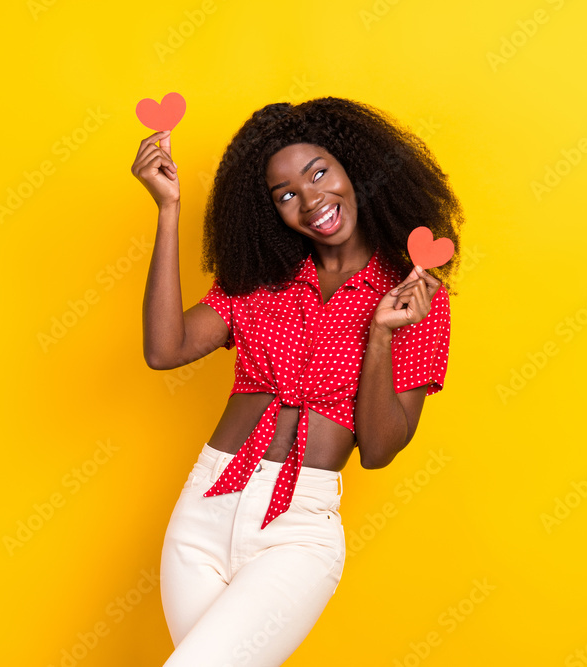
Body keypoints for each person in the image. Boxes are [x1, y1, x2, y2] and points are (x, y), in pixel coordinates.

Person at [133, 97, 465, 666]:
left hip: (296, 530)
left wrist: (381, 335)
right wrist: (169, 210)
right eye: (285, 194)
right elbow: (165, 350)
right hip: (204, 511)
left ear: (353, 169)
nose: (311, 201)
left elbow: (380, 450)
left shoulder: (415, 299)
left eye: (319, 173)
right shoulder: (260, 277)